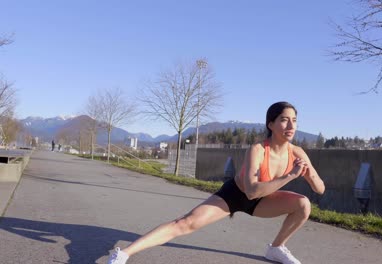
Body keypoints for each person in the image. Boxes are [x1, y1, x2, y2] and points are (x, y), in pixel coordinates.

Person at [107, 101, 325, 264]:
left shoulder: (297, 153)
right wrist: (290, 176)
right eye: (284, 119)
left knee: (304, 204)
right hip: (235, 195)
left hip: (264, 200)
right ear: (271, 123)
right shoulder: (258, 150)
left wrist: (308, 173)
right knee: (185, 224)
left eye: (294, 120)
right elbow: (250, 191)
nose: (291, 124)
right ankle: (124, 254)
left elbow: (320, 189)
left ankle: (276, 248)